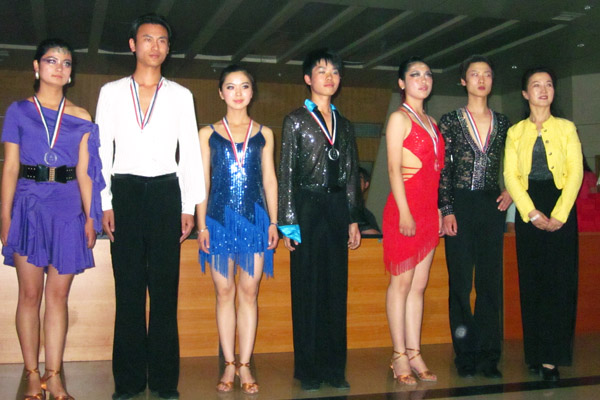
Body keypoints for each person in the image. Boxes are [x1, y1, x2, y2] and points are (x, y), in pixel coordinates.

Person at [96, 14, 204, 400]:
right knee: (127, 291)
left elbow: (189, 152)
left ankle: (163, 381)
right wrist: (104, 201)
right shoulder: (110, 92)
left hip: (165, 193)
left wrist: (188, 205)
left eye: (161, 40)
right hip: (124, 192)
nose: (154, 46)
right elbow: (100, 151)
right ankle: (128, 382)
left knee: (164, 292)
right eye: (147, 39)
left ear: (168, 48)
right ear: (132, 45)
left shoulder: (181, 95)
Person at [1, 38, 104, 400]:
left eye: (66, 62)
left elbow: (86, 172)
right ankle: (32, 374)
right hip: (28, 204)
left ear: (71, 73)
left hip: (67, 206)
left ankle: (54, 375)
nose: (59, 68)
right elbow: (10, 167)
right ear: (36, 67)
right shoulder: (18, 111)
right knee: (29, 294)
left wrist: (91, 217)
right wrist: (4, 215)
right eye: (51, 61)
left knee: (58, 297)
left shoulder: (82, 116)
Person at [278, 48, 362, 391]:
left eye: (335, 72)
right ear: (307, 78)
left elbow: (351, 173)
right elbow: (286, 172)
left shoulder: (346, 124)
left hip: (337, 206)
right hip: (307, 207)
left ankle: (334, 369)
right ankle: (309, 370)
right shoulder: (295, 120)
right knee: (307, 288)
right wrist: (288, 221)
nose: (330, 77)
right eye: (322, 71)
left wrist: (353, 218)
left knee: (335, 289)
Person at [197, 65, 278, 395]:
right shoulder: (207, 134)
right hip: (217, 221)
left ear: (252, 92)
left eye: (244, 86)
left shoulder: (264, 133)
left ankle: (245, 364)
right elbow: (203, 181)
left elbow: (270, 180)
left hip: (255, 223)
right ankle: (228, 363)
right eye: (230, 87)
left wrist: (274, 222)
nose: (238, 92)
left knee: (249, 291)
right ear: (221, 93)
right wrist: (201, 224)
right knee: (224, 292)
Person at [504, 67, 583, 382]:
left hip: (561, 202)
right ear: (525, 93)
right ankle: (536, 353)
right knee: (533, 282)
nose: (543, 89)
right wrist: (530, 212)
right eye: (536, 85)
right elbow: (510, 176)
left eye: (548, 84)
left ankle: (553, 358)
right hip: (529, 207)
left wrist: (560, 213)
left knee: (559, 284)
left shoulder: (566, 128)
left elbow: (575, 172)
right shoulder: (515, 132)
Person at [438, 55, 512, 378]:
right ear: (463, 81)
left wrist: (510, 190)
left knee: (489, 282)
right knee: (460, 282)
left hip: (492, 204)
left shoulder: (504, 122)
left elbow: (513, 163)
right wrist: (447, 209)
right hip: (461, 204)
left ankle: (489, 354)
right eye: (474, 74)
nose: (481, 79)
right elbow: (443, 169)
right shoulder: (450, 120)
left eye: (487, 74)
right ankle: (465, 354)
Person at [382, 57, 444, 385]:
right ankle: (398, 355)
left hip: (428, 211)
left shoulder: (432, 122)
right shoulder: (398, 118)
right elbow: (394, 169)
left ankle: (415, 352)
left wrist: (437, 210)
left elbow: (436, 172)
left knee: (419, 286)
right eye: (415, 75)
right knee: (401, 284)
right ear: (402, 83)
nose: (423, 79)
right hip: (403, 210)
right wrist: (405, 211)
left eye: (427, 75)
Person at [358, 167, 381, 235]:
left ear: (366, 184)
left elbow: (375, 236)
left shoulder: (367, 215)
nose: (354, 184)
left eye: (358, 180)